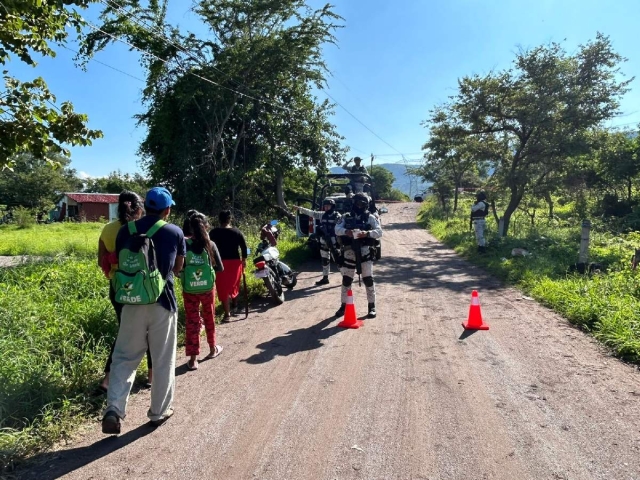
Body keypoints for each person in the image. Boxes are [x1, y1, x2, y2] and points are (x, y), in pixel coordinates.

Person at [102, 186, 185, 434]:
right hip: (162, 303)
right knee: (162, 358)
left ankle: (114, 410)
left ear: (144, 207)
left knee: (124, 358)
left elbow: (120, 261)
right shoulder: (174, 232)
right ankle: (159, 412)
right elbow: (178, 267)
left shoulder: (124, 231)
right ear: (167, 210)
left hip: (130, 301)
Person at [97, 191, 151, 393]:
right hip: (142, 287)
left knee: (124, 331)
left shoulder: (107, 230)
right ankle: (152, 376)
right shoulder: (142, 228)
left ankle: (108, 378)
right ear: (139, 208)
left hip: (118, 288)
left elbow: (100, 261)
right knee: (149, 330)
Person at [181, 211, 224, 371]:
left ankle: (193, 360)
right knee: (209, 317)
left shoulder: (184, 244)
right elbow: (220, 267)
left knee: (192, 322)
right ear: (206, 226)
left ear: (190, 228)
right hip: (207, 289)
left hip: (189, 289)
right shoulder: (210, 244)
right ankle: (212, 349)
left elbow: (179, 268)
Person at [334, 192, 383, 318]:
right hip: (349, 252)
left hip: (365, 251)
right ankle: (343, 306)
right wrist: (347, 231)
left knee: (368, 280)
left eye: (362, 204)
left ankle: (371, 306)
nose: (359, 206)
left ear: (366, 204)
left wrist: (366, 234)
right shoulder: (345, 217)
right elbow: (337, 229)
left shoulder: (371, 217)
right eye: (357, 203)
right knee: (346, 281)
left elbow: (379, 232)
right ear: (353, 203)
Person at [209, 210, 248, 322]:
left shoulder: (213, 232)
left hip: (219, 263)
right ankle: (234, 304)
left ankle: (227, 314)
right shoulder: (237, 232)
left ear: (219, 219)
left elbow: (208, 247)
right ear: (230, 219)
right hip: (235, 263)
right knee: (234, 284)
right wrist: (244, 260)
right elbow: (244, 247)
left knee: (223, 288)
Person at [295, 199, 342, 285]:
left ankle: (345, 277)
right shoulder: (322, 214)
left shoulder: (338, 216)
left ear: (332, 207)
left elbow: (341, 228)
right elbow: (312, 213)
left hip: (334, 242)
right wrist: (300, 209)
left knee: (338, 260)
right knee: (325, 260)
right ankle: (325, 278)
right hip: (323, 241)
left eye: (328, 206)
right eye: (325, 206)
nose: (326, 208)